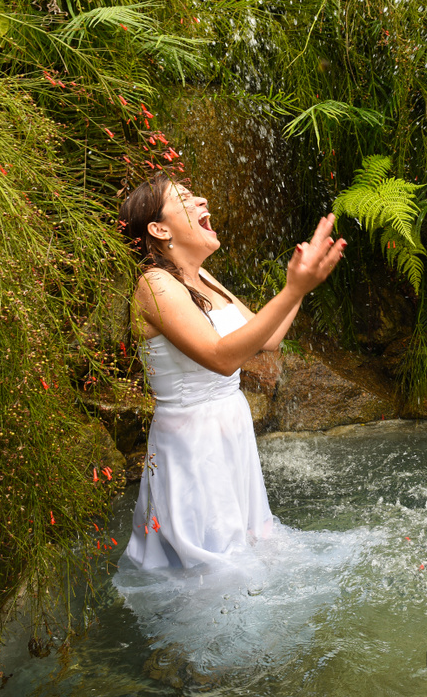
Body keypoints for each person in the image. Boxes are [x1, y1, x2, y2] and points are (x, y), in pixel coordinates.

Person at [116, 172, 346, 569]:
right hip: (191, 439)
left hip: (229, 424)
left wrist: (300, 286)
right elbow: (222, 359)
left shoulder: (201, 277)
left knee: (248, 550)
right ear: (159, 229)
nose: (202, 200)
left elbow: (267, 338)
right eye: (185, 198)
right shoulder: (154, 285)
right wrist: (293, 289)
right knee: (210, 568)